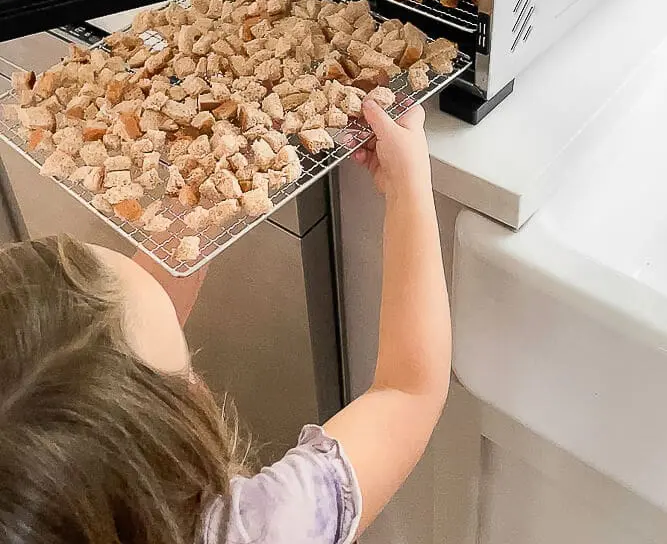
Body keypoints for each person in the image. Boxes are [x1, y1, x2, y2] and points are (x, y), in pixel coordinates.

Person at [0, 98, 451, 544]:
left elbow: (122, 339)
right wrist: (407, 181)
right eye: (184, 371)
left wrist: (209, 184)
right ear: (180, 448)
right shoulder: (264, 528)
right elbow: (407, 392)